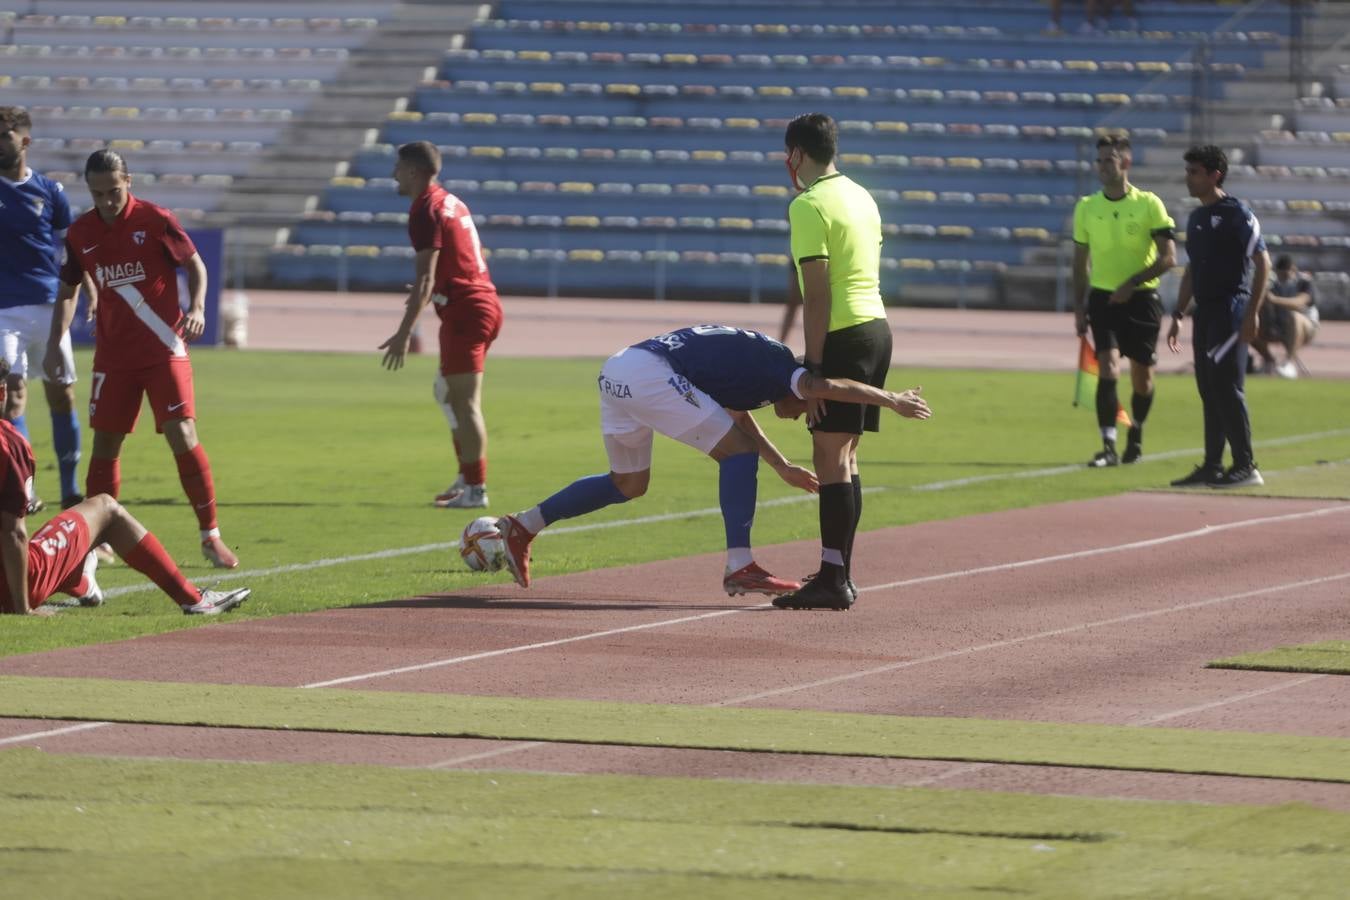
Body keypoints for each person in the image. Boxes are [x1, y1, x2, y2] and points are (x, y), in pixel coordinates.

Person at [493, 325, 930, 608]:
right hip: (649, 373)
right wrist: (892, 400)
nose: (802, 418)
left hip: (621, 370)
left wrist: (781, 467)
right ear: (803, 391)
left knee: (627, 483)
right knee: (736, 453)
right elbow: (826, 386)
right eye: (807, 410)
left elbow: (738, 416)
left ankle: (524, 525)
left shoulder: (765, 373)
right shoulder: (787, 372)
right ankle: (740, 564)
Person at [45, 149, 239, 568]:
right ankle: (99, 538)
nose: (107, 202)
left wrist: (200, 307)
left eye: (114, 191)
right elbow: (67, 288)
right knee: (106, 445)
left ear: (128, 181)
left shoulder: (155, 219)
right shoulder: (81, 233)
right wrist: (52, 344)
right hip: (113, 357)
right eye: (98, 194)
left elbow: (195, 265)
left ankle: (210, 535)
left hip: (163, 348)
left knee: (182, 434)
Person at [0, 358, 248, 616]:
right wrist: (22, 609)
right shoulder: (9, 443)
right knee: (106, 508)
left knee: (61, 536)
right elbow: (13, 534)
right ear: (3, 391)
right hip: (12, 587)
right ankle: (194, 599)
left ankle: (76, 578)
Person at [778, 113, 893, 611]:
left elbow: (817, 290)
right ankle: (839, 570)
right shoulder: (861, 195)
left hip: (843, 333)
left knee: (829, 458)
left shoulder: (808, 205)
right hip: (876, 328)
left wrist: (815, 368)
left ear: (798, 155)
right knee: (846, 457)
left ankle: (832, 578)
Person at [380, 141, 504, 510]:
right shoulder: (452, 201)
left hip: (468, 311)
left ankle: (476, 489)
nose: (394, 174)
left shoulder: (424, 210)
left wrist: (403, 334)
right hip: (478, 303)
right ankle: (467, 478)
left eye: (398, 167)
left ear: (414, 171)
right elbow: (463, 259)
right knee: (446, 393)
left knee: (465, 404)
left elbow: (424, 279)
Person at [1167, 145, 1270, 489]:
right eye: (1188, 171)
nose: (1188, 178)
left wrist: (1251, 314)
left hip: (1230, 309)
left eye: (1194, 172)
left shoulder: (1237, 213)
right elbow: (1193, 269)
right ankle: (1212, 465)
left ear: (1215, 175)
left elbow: (1263, 261)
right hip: (1204, 313)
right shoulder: (1196, 218)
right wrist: (1179, 312)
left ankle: (1245, 465)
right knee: (1208, 389)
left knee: (1227, 387)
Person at [1071, 135, 1177, 468]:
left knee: (1142, 379)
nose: (1103, 166)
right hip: (1103, 300)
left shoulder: (1149, 204)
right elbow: (1079, 262)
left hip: (1143, 299)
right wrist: (1079, 306)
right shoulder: (1087, 207)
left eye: (1110, 160)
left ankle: (1137, 431)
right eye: (1100, 160)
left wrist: (1133, 283)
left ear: (1126, 163)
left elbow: (1168, 258)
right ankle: (1108, 445)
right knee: (1108, 368)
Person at [0, 106, 83, 512]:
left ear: (24, 141)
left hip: (48, 308)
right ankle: (26, 490)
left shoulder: (50, 192)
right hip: (4, 312)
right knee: (11, 398)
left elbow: (75, 251)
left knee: (62, 397)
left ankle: (70, 491)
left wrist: (90, 288)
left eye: (4, 136)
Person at [1251, 255, 1318, 379]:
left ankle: (1289, 363)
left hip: (1306, 327)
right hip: (1279, 326)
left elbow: (1300, 302)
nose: (1283, 278)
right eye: (1280, 274)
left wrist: (1275, 300)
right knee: (1249, 320)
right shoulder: (1274, 284)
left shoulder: (1304, 282)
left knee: (1294, 317)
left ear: (1293, 270)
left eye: (1286, 274)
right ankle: (1268, 360)